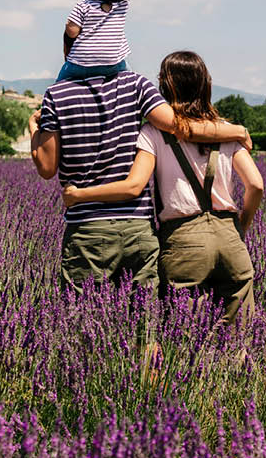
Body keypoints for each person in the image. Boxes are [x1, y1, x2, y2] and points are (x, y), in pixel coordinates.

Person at [62, 51, 264, 325]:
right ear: (207, 84)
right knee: (238, 336)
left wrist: (78, 195)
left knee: (185, 338)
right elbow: (256, 184)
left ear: (164, 87)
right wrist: (241, 226)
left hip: (183, 239)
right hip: (230, 238)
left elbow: (133, 185)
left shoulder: (153, 133)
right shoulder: (226, 130)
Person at [29, 65, 252, 293]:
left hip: (91, 228)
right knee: (151, 318)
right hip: (145, 228)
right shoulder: (136, 84)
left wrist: (77, 193)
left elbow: (47, 168)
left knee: (83, 317)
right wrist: (239, 131)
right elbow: (255, 184)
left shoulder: (57, 94)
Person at [57, 0, 137, 82]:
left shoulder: (83, 6)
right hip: (113, 63)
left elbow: (71, 31)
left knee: (60, 83)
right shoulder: (122, 6)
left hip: (81, 64)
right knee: (131, 75)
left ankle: (54, 96)